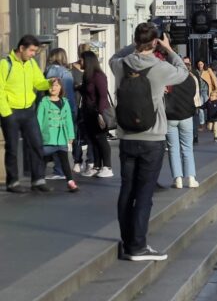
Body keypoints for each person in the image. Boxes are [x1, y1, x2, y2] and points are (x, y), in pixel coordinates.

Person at [110, 22, 190, 262]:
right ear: (155, 42)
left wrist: (133, 46)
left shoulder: (120, 65)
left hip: (126, 138)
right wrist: (167, 49)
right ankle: (138, 246)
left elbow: (115, 56)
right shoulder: (160, 67)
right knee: (144, 194)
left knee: (127, 190)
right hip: (152, 139)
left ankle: (128, 241)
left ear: (135, 41)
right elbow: (183, 72)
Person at [1, 35, 53, 193]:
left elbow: (38, 82)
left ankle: (38, 180)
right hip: (11, 111)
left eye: (35, 51)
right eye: (31, 50)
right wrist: (6, 112)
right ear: (21, 48)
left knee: (37, 144)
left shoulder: (31, 64)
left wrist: (49, 83)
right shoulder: (5, 64)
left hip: (28, 110)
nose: (33, 54)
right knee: (12, 147)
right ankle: (13, 182)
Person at [37, 77, 78, 192]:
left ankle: (70, 181)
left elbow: (69, 120)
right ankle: (39, 181)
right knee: (44, 160)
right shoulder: (44, 102)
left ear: (61, 88)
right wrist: (38, 136)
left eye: (56, 85)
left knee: (64, 160)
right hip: (48, 137)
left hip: (61, 137)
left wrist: (71, 135)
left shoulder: (64, 102)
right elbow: (39, 120)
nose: (53, 88)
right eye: (51, 86)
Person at [165, 63, 201, 189]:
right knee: (187, 147)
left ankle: (177, 179)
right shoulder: (190, 79)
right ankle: (191, 178)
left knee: (173, 149)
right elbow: (193, 95)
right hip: (186, 116)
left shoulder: (167, 79)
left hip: (170, 117)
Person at [44, 48, 78, 180]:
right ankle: (61, 169)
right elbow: (69, 94)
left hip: (53, 107)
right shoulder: (67, 73)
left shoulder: (51, 71)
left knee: (53, 140)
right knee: (62, 140)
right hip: (66, 107)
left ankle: (58, 170)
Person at [79, 51, 114, 178]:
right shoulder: (87, 76)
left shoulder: (98, 76)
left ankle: (108, 166)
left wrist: (101, 114)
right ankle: (97, 165)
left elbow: (103, 96)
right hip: (88, 112)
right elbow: (86, 91)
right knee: (93, 140)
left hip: (98, 113)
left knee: (101, 139)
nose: (80, 62)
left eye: (81, 60)